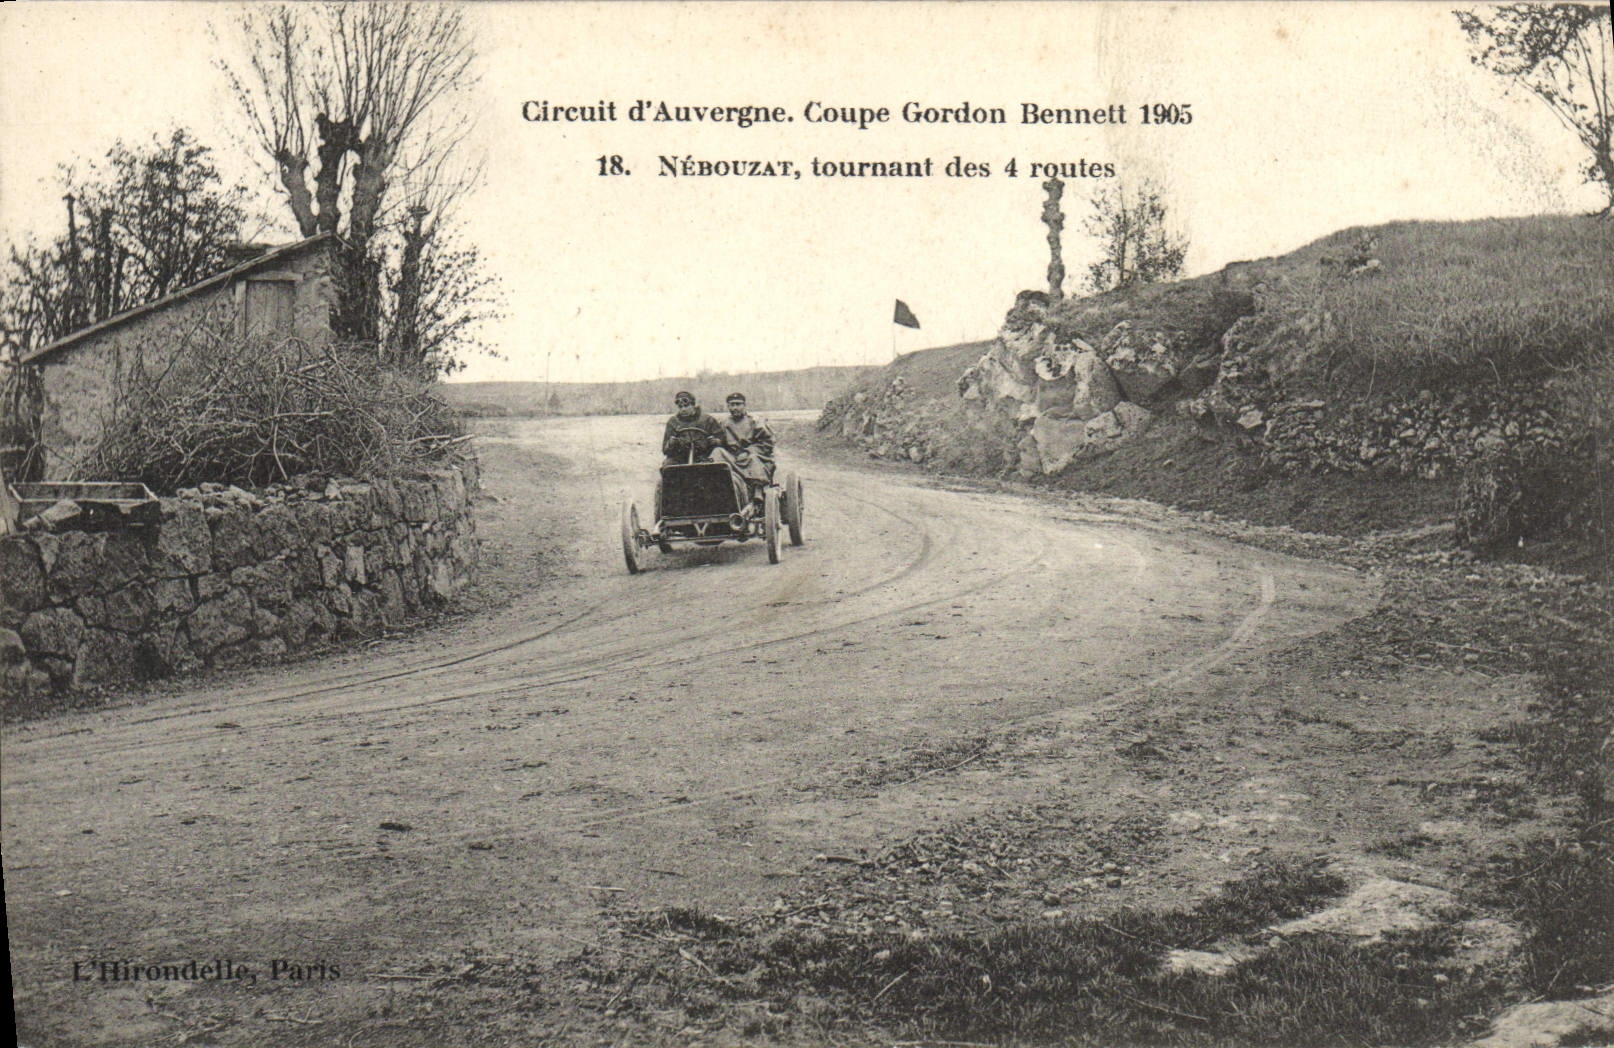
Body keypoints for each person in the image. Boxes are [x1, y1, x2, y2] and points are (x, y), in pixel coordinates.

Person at [713, 392, 775, 491]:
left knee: (753, 459)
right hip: (732, 456)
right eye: (732, 405)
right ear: (728, 407)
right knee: (717, 452)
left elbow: (767, 443)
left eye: (738, 404)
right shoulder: (723, 423)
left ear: (744, 405)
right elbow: (721, 441)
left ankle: (757, 488)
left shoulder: (755, 421)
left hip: (752, 455)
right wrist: (716, 442)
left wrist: (748, 451)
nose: (735, 408)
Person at [661, 391, 726, 466]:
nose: (683, 409)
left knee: (716, 462)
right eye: (680, 407)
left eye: (686, 406)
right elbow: (665, 450)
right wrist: (671, 443)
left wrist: (715, 441)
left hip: (705, 456)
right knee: (668, 464)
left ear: (693, 405)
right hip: (681, 458)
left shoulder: (708, 420)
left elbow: (723, 441)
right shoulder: (673, 422)